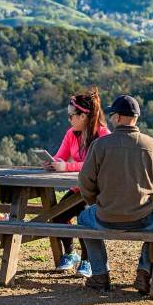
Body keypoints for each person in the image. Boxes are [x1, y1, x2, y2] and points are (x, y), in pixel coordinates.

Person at [77, 94, 153, 294]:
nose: (111, 119)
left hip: (105, 217)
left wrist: (95, 202)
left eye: (112, 116)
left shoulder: (100, 145)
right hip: (142, 218)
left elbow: (85, 180)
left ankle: (100, 275)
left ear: (118, 118)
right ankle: (144, 272)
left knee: (84, 218)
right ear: (135, 117)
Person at [43, 88, 110, 278]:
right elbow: (61, 156)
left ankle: (88, 260)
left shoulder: (104, 136)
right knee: (58, 216)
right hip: (77, 189)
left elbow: (94, 166)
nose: (69, 119)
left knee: (86, 219)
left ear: (84, 116)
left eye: (72, 115)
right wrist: (53, 162)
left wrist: (66, 167)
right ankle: (70, 253)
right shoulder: (71, 133)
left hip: (97, 192)